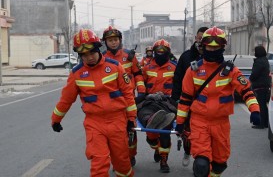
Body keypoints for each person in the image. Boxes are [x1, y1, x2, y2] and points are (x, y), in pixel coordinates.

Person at [175, 26, 260, 177]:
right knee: (201, 164)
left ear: (222, 47)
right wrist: (180, 122)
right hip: (199, 122)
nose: (212, 50)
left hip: (221, 123)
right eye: (209, 47)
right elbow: (185, 99)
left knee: (220, 163)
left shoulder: (230, 71)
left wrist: (255, 110)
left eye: (216, 47)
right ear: (203, 46)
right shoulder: (193, 70)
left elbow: (246, 91)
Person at [50, 29, 137, 177]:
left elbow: (128, 95)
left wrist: (131, 118)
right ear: (80, 55)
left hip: (117, 121)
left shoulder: (115, 67)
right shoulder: (76, 74)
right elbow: (66, 100)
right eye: (85, 55)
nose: (89, 57)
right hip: (94, 123)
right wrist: (56, 119)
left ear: (98, 49)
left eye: (92, 53)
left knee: (122, 163)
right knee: (99, 162)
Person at [102, 25, 145, 166]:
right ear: (105, 42)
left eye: (115, 39)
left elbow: (138, 74)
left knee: (130, 129)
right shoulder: (101, 58)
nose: (113, 42)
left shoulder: (129, 56)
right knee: (114, 134)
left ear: (120, 40)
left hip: (129, 100)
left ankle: (131, 155)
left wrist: (142, 90)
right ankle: (118, 159)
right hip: (111, 103)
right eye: (110, 40)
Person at [171, 26, 208, 167]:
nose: (202, 41)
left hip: (206, 105)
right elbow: (177, 78)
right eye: (200, 38)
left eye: (205, 39)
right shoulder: (186, 56)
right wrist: (175, 98)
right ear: (196, 39)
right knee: (187, 131)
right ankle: (187, 151)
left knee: (202, 134)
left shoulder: (212, 57)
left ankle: (200, 162)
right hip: (187, 101)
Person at [141, 38, 177, 173]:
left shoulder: (174, 67)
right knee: (151, 134)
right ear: (154, 52)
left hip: (167, 102)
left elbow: (179, 87)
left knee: (165, 130)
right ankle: (155, 147)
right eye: (158, 51)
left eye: (164, 51)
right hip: (150, 101)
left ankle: (164, 160)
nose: (161, 53)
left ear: (168, 52)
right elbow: (141, 86)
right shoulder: (147, 67)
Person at [249, 46, 272, 129]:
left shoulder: (259, 62)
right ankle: (265, 122)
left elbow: (255, 74)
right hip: (265, 85)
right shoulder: (265, 60)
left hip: (260, 86)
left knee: (261, 105)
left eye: (255, 51)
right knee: (264, 105)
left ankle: (261, 123)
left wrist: (251, 79)